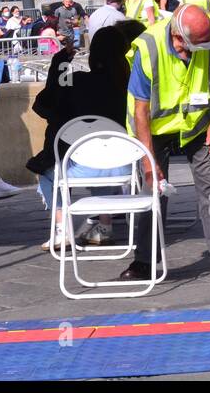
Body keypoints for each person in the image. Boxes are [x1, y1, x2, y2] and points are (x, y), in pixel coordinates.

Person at [123, 5, 210, 280]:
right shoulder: (149, 48)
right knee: (151, 189)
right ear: (179, 39)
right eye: (196, 46)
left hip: (198, 123)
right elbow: (140, 110)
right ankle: (144, 259)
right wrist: (149, 160)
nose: (205, 49)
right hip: (155, 128)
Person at [28, 26, 133, 250]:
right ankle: (104, 227)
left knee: (49, 170)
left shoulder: (77, 82)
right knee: (104, 155)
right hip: (122, 167)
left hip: (79, 165)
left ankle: (61, 229)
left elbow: (44, 106)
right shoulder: (129, 85)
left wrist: (59, 65)